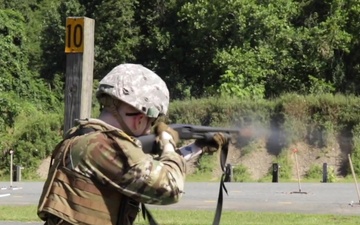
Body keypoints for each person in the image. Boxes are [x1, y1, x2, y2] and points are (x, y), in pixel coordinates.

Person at [37, 63, 229, 225]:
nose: (149, 128)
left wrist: (196, 148)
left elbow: (149, 170)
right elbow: (170, 189)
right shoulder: (103, 145)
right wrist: (167, 142)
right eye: (151, 120)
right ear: (139, 117)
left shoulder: (83, 136)